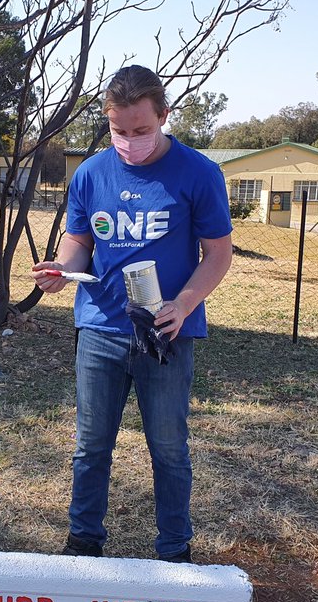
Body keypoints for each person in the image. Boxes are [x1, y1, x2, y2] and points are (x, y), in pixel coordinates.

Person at [31, 66, 233, 563]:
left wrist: (184, 304)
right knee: (92, 445)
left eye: (141, 130)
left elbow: (219, 254)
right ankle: (83, 544)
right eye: (119, 131)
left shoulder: (199, 173)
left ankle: (173, 552)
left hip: (166, 331)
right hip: (100, 329)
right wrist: (63, 269)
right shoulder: (91, 174)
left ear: (164, 116)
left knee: (167, 448)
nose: (129, 142)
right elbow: (80, 242)